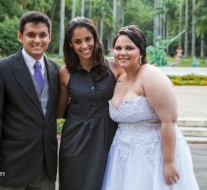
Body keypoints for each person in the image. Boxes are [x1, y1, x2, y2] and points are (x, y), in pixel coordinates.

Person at [101, 25, 199, 190]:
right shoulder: (120, 79)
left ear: (141, 51)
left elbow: (169, 121)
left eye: (129, 48)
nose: (122, 52)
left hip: (153, 156)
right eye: (118, 48)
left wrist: (168, 162)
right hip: (121, 155)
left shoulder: (152, 76)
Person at [56, 17, 124, 190]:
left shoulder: (114, 66)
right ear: (70, 44)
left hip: (108, 135)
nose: (84, 45)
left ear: (95, 38)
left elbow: (130, 93)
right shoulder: (65, 73)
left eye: (88, 39)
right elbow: (59, 112)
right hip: (75, 139)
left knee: (107, 183)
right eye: (77, 41)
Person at [0, 11, 60, 189]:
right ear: (20, 36)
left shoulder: (58, 71)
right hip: (12, 165)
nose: (37, 40)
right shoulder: (3, 69)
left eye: (42, 35)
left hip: (46, 166)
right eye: (31, 35)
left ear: (50, 36)